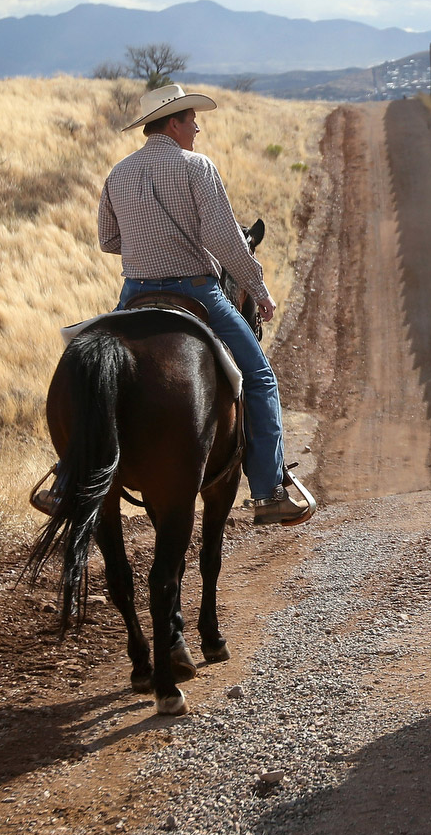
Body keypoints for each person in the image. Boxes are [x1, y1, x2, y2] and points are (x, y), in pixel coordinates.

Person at [97, 83, 312, 525]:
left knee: (95, 370)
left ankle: (68, 475)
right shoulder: (197, 167)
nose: (197, 127)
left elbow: (109, 239)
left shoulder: (118, 173)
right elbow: (225, 240)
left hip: (134, 292)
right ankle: (269, 491)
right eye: (192, 118)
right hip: (197, 291)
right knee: (260, 378)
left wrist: (148, 243)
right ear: (173, 122)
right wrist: (259, 289)